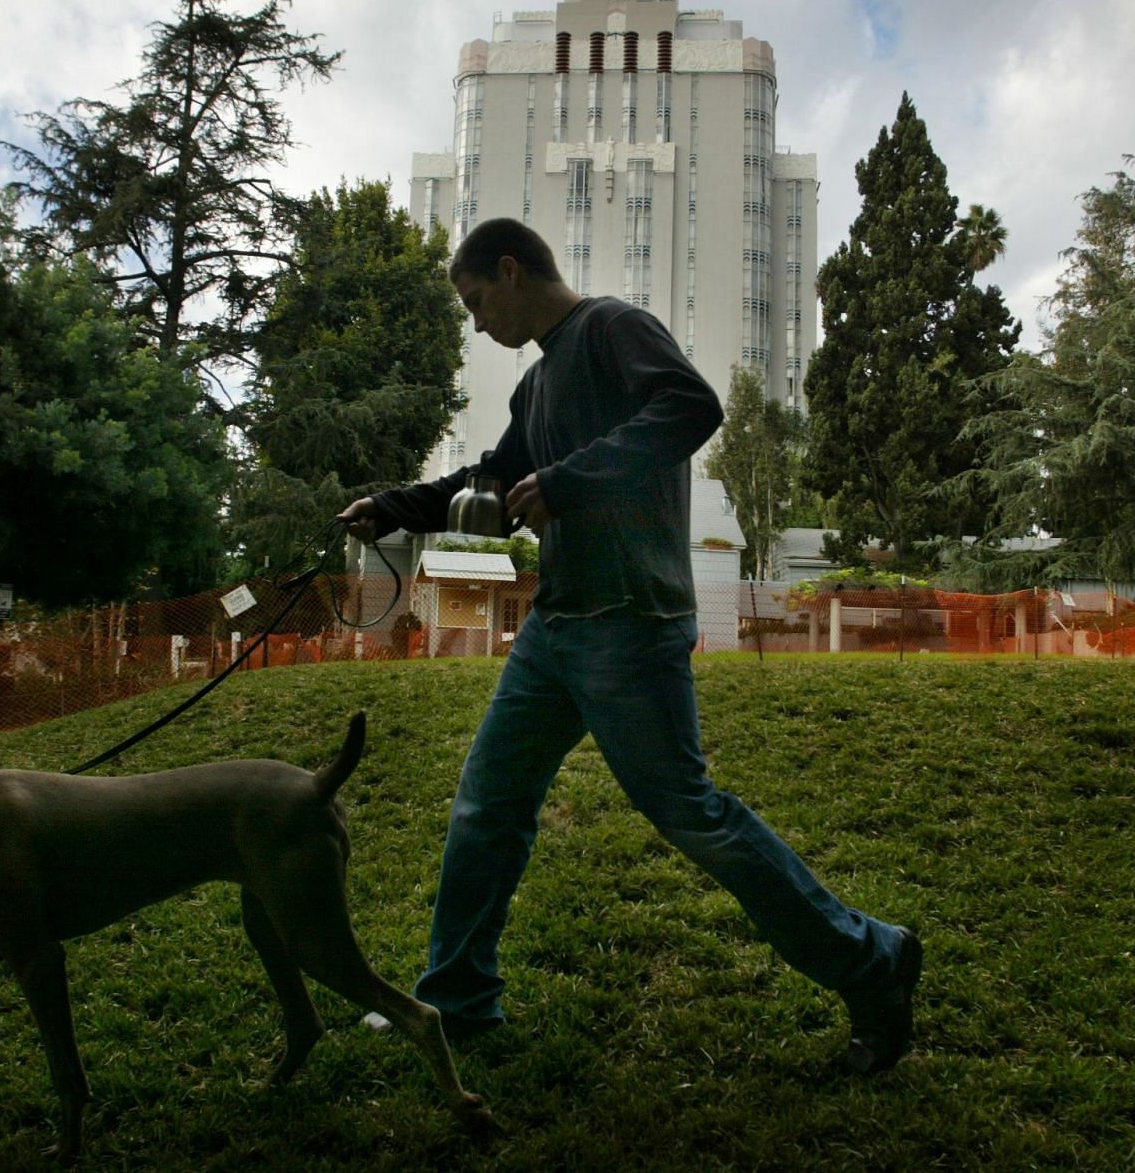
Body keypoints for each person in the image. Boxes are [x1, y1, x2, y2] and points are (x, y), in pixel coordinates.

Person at [337, 218, 920, 1073]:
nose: (474, 323)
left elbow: (692, 407)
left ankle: (873, 959)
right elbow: (490, 483)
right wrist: (392, 505)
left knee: (693, 816)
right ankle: (458, 998)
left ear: (509, 270)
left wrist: (571, 480)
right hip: (557, 627)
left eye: (474, 302)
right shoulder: (536, 388)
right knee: (486, 806)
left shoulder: (613, 327)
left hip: (631, 621)